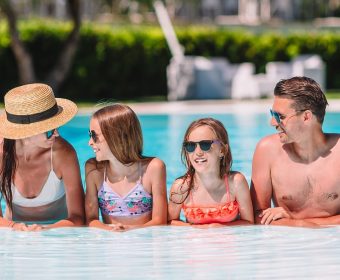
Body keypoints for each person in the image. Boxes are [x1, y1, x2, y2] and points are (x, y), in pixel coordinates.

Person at [251, 76, 340, 227]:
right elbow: (256, 216)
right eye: (272, 114)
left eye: (280, 116)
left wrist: (294, 220)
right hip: (288, 246)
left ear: (306, 117)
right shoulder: (267, 151)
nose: (272, 122)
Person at [0, 83, 85, 231]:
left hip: (58, 235)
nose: (56, 134)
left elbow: (78, 218)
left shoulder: (62, 154)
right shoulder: (2, 156)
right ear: (27, 130)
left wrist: (46, 230)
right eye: (50, 129)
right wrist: (14, 227)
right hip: (14, 236)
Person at [85, 104, 167, 231]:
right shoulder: (94, 170)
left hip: (143, 241)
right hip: (110, 242)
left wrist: (129, 230)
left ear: (116, 136)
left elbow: (160, 221)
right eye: (90, 135)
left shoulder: (153, 168)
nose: (90, 142)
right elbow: (90, 220)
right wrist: (110, 230)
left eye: (94, 136)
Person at [168, 118, 254, 227]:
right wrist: (196, 228)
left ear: (222, 150)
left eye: (205, 145)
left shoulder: (236, 182)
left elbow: (249, 223)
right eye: (190, 146)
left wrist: (222, 227)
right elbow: (169, 223)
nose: (198, 152)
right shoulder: (181, 187)